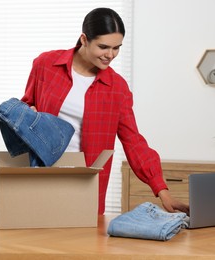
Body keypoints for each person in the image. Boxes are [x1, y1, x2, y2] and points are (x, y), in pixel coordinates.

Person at [21, 7, 189, 215]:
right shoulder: (46, 65)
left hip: (85, 184)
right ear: (84, 39)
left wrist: (162, 190)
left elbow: (133, 141)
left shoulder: (117, 88)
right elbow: (26, 105)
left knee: (81, 244)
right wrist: (30, 113)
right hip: (40, 175)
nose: (110, 55)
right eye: (103, 47)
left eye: (116, 48)